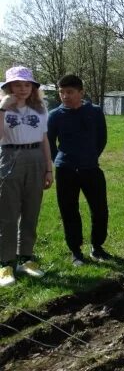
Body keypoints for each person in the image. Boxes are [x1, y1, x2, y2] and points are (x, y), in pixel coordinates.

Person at [48, 74, 110, 266]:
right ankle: (75, 251)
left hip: (91, 168)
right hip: (66, 170)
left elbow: (102, 138)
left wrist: (90, 156)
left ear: (81, 92)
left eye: (70, 92)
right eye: (61, 92)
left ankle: (97, 247)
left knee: (100, 210)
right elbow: (50, 143)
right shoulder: (55, 115)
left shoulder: (95, 112)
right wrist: (62, 160)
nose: (65, 96)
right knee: (69, 211)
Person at [0, 66, 52, 286]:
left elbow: (44, 139)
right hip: (10, 157)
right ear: (8, 87)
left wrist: (48, 168)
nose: (22, 89)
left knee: (31, 211)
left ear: (33, 88)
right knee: (8, 213)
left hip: (36, 158)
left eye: (27, 85)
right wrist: (2, 109)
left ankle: (26, 258)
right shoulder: (3, 108)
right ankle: (6, 264)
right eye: (17, 85)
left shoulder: (40, 109)